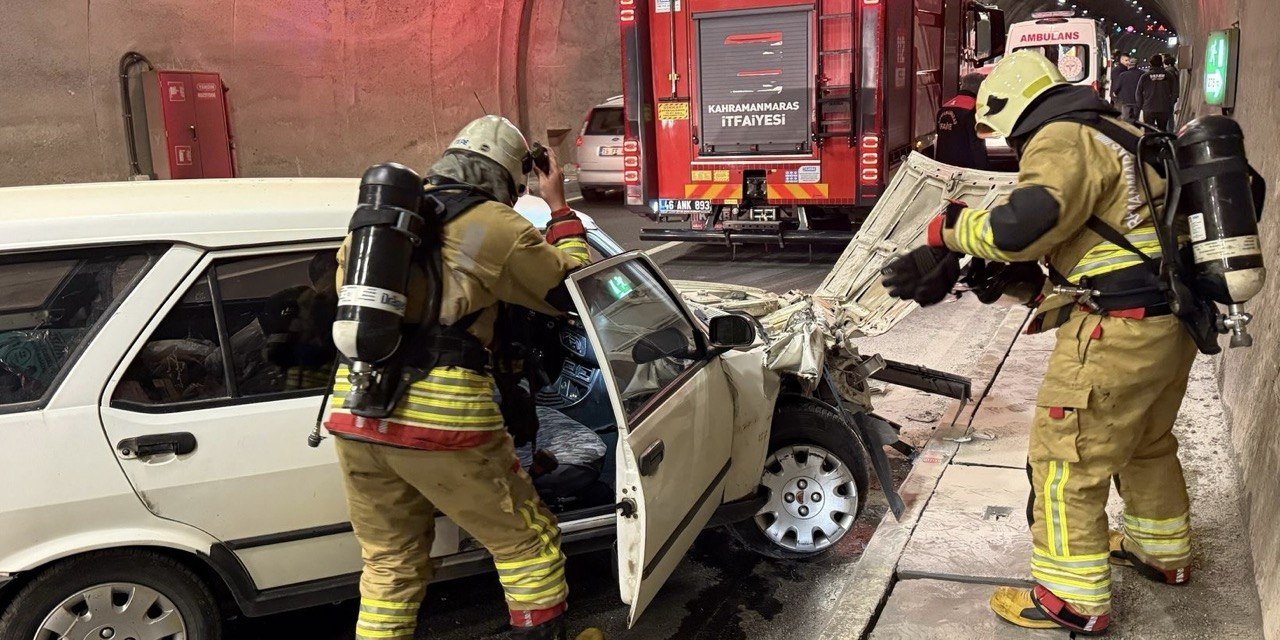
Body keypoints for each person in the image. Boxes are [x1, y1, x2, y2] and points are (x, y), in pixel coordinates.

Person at [881, 51, 1195, 635]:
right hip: (1168, 322)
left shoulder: (1062, 138)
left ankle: (1072, 601)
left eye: (1005, 133)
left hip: (1114, 332)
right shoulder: (1122, 133)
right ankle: (1162, 552)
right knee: (1146, 442)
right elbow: (1103, 241)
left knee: (1063, 462)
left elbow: (1019, 226)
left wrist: (946, 230)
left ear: (1014, 111)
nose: (1012, 147)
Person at [324, 115, 600, 640]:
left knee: (389, 562)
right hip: (442, 416)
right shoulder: (492, 223)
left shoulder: (379, 227)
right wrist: (560, 208)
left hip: (355, 408)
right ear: (505, 176)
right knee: (528, 542)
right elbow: (568, 289)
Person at [934, 73, 990, 170]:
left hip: (943, 167)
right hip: (965, 169)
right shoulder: (974, 109)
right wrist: (984, 169)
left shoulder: (944, 108)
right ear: (980, 88)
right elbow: (976, 145)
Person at [1137, 53, 1178, 131]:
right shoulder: (1168, 75)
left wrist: (1141, 105)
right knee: (1162, 131)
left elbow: (1138, 92)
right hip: (1164, 107)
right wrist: (1170, 103)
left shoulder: (1145, 77)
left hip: (1148, 108)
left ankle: (1150, 143)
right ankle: (1161, 143)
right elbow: (1175, 91)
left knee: (1148, 131)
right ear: (1161, 63)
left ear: (1150, 63)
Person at [1110, 55, 1143, 122]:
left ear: (1129, 65)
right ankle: (1135, 130)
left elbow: (1117, 86)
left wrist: (1115, 93)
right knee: (1136, 119)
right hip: (1137, 100)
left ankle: (1127, 129)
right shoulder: (1142, 74)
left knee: (1125, 118)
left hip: (1126, 100)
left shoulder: (1123, 75)